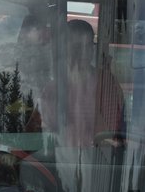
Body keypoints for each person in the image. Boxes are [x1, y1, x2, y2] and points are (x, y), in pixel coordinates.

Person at [30, 19, 124, 147]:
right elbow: (41, 132)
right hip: (61, 158)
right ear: (64, 49)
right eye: (77, 47)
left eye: (89, 46)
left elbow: (110, 133)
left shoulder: (106, 83)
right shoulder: (52, 90)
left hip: (98, 157)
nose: (85, 53)